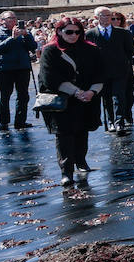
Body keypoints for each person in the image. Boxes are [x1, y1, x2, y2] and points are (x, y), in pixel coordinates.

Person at [36, 18, 103, 183]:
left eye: (77, 32)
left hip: (87, 97)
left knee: (82, 131)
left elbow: (101, 73)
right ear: (59, 31)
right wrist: (76, 92)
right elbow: (49, 78)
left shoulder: (91, 49)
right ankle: (66, 171)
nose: (74, 35)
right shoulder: (50, 50)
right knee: (64, 134)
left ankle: (80, 161)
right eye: (69, 32)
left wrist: (92, 91)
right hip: (63, 98)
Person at [86, 6, 134, 134]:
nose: (107, 18)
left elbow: (130, 50)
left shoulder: (123, 33)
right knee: (106, 98)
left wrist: (122, 62)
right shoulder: (90, 34)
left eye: (109, 15)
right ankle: (111, 121)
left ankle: (120, 123)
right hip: (101, 73)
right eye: (104, 15)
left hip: (119, 71)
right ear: (96, 17)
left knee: (119, 97)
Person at [0, 10, 37, 131]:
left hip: (22, 67)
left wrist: (26, 35)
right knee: (4, 97)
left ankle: (20, 121)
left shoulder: (25, 32)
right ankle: (4, 122)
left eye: (14, 17)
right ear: (2, 21)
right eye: (10, 18)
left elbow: (33, 47)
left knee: (23, 96)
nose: (13, 20)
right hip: (4, 68)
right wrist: (12, 38)